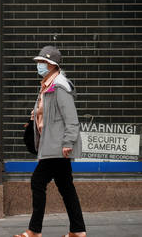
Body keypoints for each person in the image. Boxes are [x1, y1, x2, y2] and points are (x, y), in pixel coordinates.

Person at [14, 46, 87, 237]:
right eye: (39, 62)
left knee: (37, 182)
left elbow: (71, 118)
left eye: (42, 62)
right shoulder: (47, 84)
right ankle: (78, 231)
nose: (39, 65)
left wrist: (68, 143)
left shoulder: (59, 86)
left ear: (53, 65)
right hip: (52, 145)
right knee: (66, 187)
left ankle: (34, 231)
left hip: (57, 146)